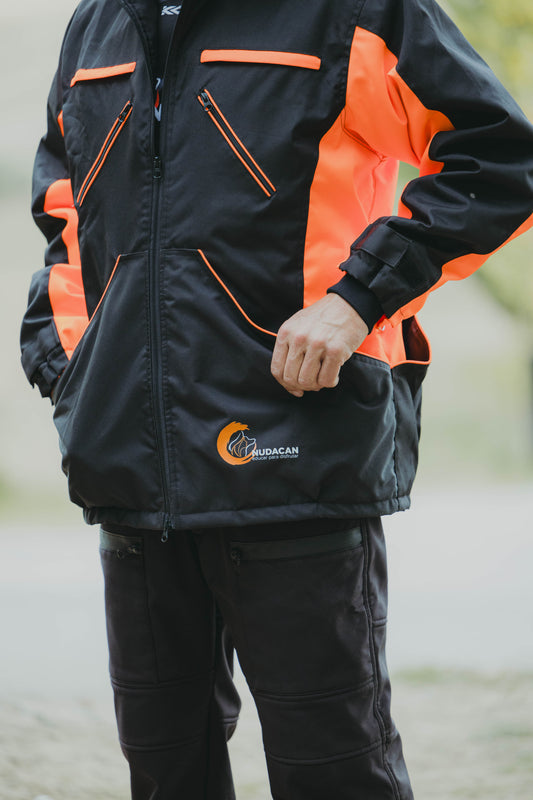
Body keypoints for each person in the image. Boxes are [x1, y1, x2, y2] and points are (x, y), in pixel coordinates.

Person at [20, 0, 533, 798]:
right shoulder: (98, 24)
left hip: (296, 450)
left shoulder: (352, 11)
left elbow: (499, 159)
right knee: (163, 774)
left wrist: (357, 299)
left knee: (334, 773)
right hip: (131, 470)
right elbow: (65, 215)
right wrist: (74, 369)